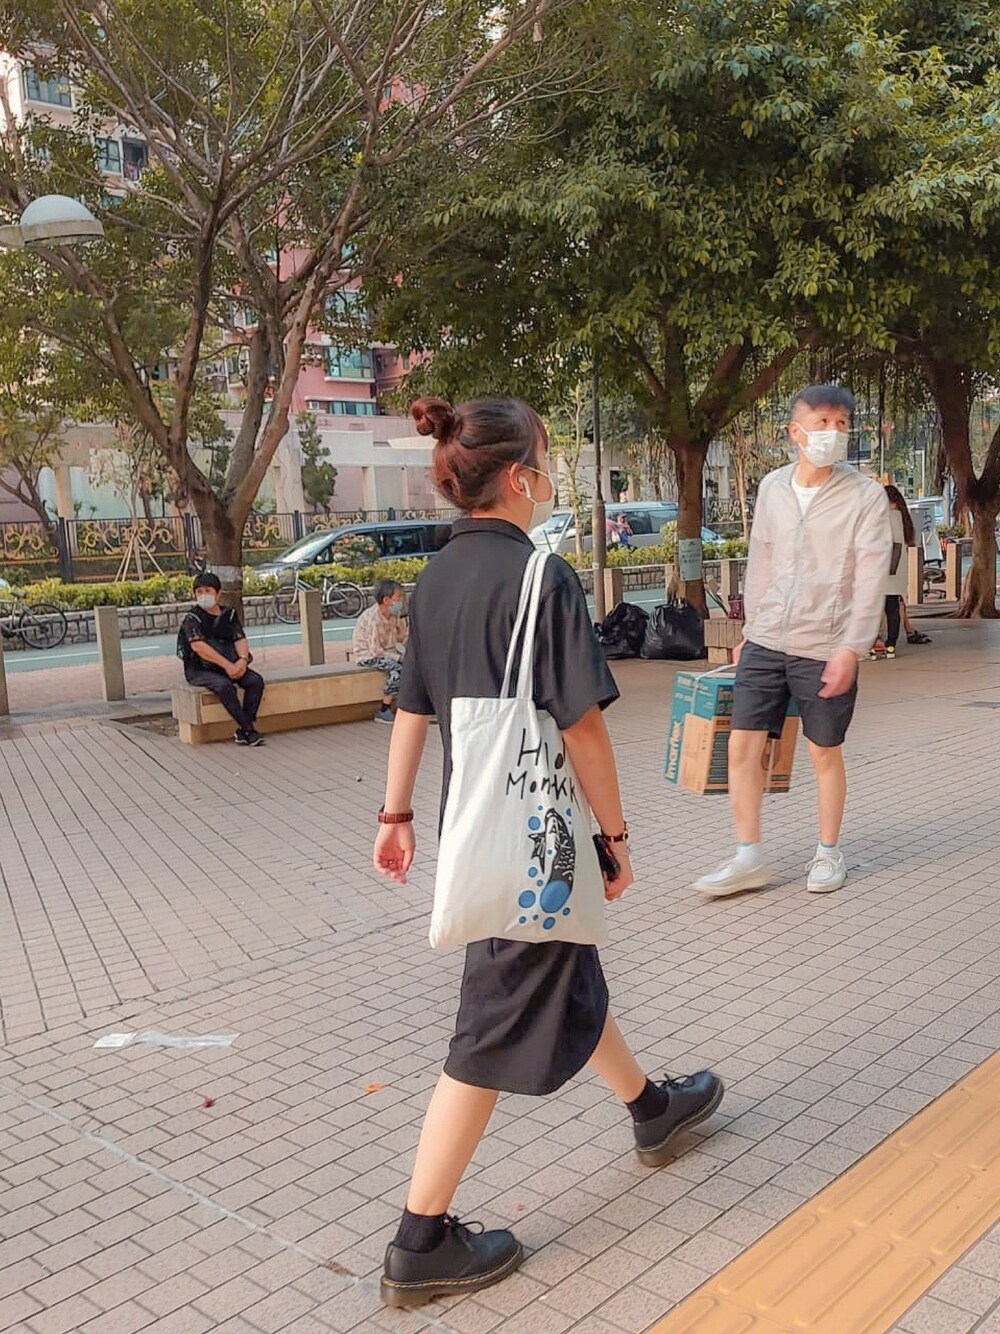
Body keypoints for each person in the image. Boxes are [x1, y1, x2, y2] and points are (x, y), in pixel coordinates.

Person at [373, 396, 724, 1309]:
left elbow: (413, 706)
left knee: (564, 970)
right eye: (548, 457)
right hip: (536, 840)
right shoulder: (543, 576)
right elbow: (583, 729)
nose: (553, 472)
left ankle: (651, 1109)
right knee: (490, 1026)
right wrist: (615, 836)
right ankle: (419, 1241)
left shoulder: (435, 578)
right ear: (518, 475)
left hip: (477, 827)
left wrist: (395, 813)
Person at [695, 384, 891, 898]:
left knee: (823, 751)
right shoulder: (773, 488)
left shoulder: (864, 496)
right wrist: (748, 631)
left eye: (842, 424)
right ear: (795, 431)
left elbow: (871, 577)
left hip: (825, 645)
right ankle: (748, 857)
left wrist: (851, 647)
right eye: (822, 422)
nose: (833, 433)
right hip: (766, 641)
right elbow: (761, 561)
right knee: (742, 745)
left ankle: (828, 852)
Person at [177, 573, 266, 745]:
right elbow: (199, 647)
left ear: (218, 594)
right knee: (225, 686)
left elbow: (239, 638)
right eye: (199, 591)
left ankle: (244, 729)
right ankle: (248, 729)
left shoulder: (229, 615)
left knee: (255, 681)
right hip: (200, 669)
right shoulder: (192, 619)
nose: (203, 595)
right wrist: (227, 666)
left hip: (231, 662)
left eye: (208, 591)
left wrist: (242, 661)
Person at [353, 578, 409, 724]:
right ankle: (384, 709)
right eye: (398, 598)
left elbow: (403, 637)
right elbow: (375, 651)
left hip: (388, 652)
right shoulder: (373, 618)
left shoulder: (395, 615)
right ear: (386, 600)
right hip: (368, 655)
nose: (401, 601)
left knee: (412, 666)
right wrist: (398, 658)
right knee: (398, 669)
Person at [877, 484, 916, 659]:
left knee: (879, 608)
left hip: (886, 567)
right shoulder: (903, 517)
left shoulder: (889, 517)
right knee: (892, 606)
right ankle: (891, 644)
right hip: (898, 569)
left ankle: (879, 641)